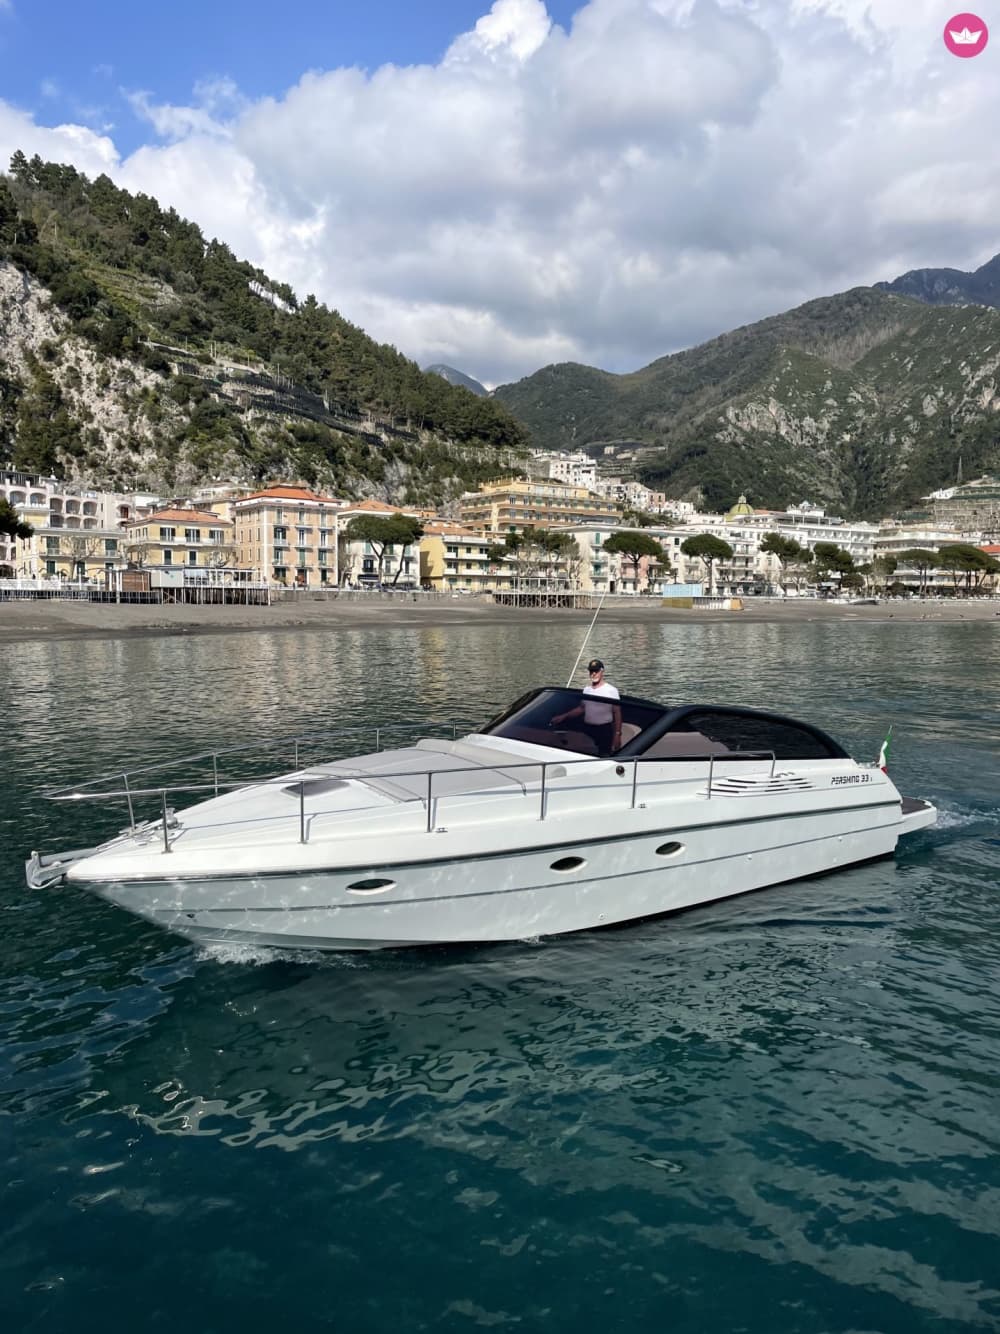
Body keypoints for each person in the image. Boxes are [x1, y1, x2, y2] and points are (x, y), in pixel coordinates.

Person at [551, 659, 622, 756]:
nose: (593, 674)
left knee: (603, 756)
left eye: (596, 671)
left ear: (602, 672)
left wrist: (617, 735)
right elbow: (582, 708)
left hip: (604, 730)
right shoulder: (586, 690)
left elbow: (617, 713)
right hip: (587, 729)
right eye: (591, 671)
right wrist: (563, 716)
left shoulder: (611, 690)